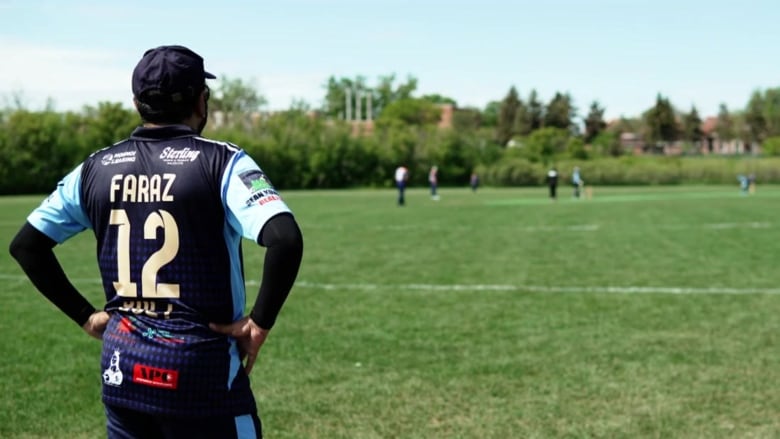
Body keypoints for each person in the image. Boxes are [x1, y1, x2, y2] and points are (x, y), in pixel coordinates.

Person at [8, 45, 304, 439]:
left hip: (123, 369)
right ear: (202, 100)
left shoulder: (95, 167)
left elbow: (26, 245)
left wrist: (85, 314)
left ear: (137, 102)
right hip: (202, 374)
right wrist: (259, 324)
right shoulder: (222, 161)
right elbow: (284, 238)